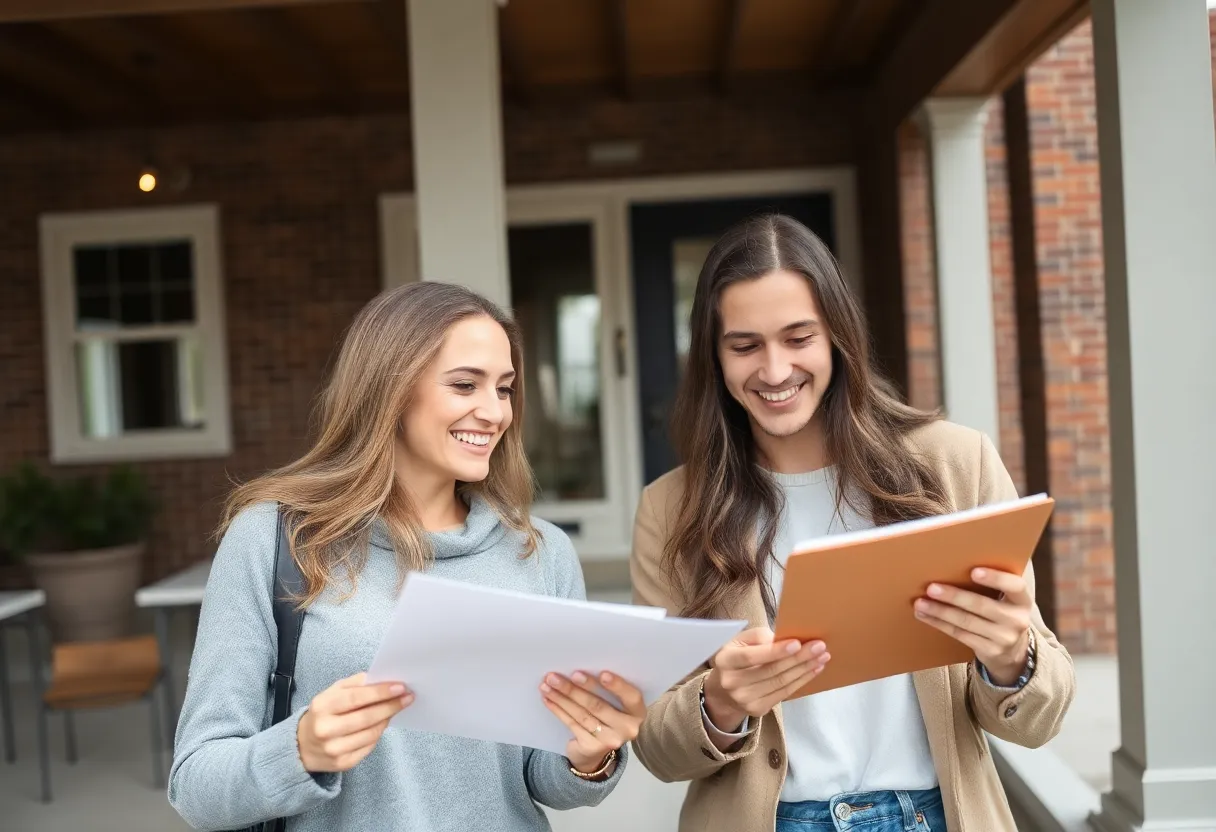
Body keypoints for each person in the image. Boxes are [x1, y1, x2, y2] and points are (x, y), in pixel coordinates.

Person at [629, 214, 1076, 832]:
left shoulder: (956, 465)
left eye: (798, 337)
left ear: (837, 336)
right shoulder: (671, 509)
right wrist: (720, 704)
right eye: (745, 345)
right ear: (714, 356)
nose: (776, 370)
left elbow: (1039, 718)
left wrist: (1009, 656)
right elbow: (654, 747)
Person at [169, 281, 643, 831]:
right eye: (465, 385)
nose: (494, 412)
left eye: (505, 389)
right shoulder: (274, 540)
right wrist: (299, 749)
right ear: (388, 391)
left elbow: (544, 779)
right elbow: (196, 786)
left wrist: (589, 755)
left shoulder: (542, 553)